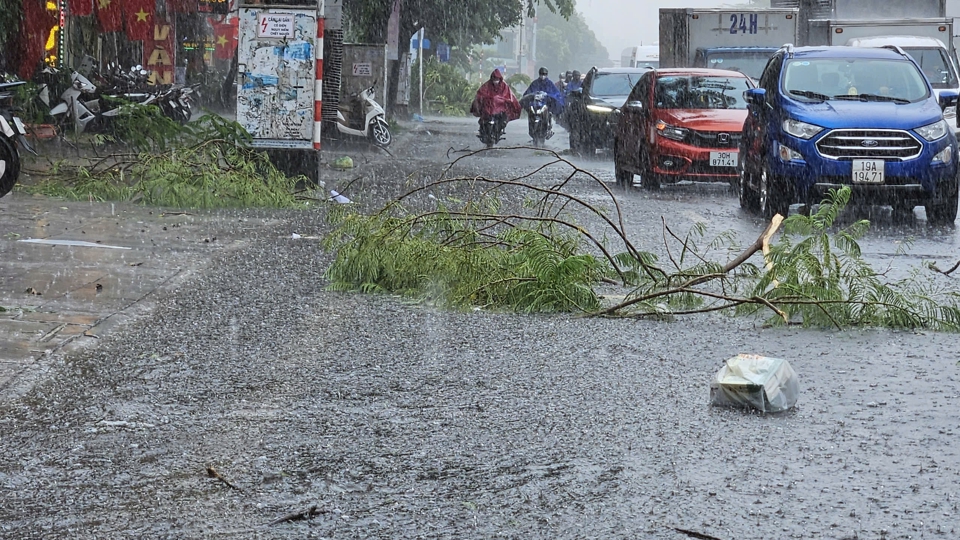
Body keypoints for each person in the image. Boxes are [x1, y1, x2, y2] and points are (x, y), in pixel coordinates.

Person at [470, 69, 521, 136]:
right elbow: (480, 94)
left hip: (500, 110)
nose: (495, 81)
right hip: (488, 109)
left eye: (497, 79)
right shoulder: (487, 85)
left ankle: (499, 128)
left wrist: (503, 101)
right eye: (494, 79)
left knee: (503, 119)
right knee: (483, 119)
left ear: (500, 79)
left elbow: (509, 97)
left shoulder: (504, 86)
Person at [522, 67, 565, 139]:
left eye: (544, 74)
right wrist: (532, 96)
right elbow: (528, 93)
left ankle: (548, 126)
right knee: (530, 112)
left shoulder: (550, 83)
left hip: (545, 104)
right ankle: (532, 129)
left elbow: (556, 94)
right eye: (541, 74)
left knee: (549, 111)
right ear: (539, 74)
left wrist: (548, 95)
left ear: (547, 74)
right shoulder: (535, 83)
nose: (543, 76)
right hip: (535, 105)